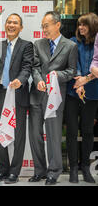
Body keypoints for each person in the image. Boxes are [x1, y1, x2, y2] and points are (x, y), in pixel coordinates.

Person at [28, 11, 78, 185]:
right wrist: (39, 80)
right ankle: (39, 171)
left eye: (46, 25)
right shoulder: (38, 44)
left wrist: (57, 75)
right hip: (36, 96)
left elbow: (72, 71)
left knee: (53, 135)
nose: (44, 29)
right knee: (35, 135)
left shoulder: (70, 46)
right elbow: (34, 67)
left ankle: (54, 172)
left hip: (55, 98)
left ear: (57, 25)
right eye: (42, 26)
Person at [0, 13, 33, 184]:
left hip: (18, 94)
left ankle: (14, 172)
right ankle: (3, 170)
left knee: (19, 134)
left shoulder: (27, 45)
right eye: (9, 22)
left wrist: (20, 81)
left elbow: (27, 66)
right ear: (5, 26)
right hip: (0, 93)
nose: (11, 25)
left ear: (21, 27)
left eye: (15, 23)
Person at [64, 13, 98, 183]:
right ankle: (73, 168)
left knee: (87, 131)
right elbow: (73, 63)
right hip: (72, 92)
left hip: (92, 93)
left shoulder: (97, 43)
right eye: (79, 25)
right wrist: (79, 80)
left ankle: (85, 166)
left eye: (84, 25)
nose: (81, 28)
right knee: (71, 131)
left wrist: (85, 81)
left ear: (92, 26)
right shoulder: (73, 41)